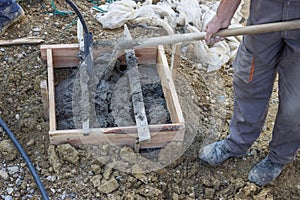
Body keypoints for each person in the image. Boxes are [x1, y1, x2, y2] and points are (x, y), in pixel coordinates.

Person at [199, 0, 300, 186]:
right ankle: (236, 143)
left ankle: (278, 158)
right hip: (267, 12)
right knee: (250, 80)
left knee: (296, 105)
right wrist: (222, 16)